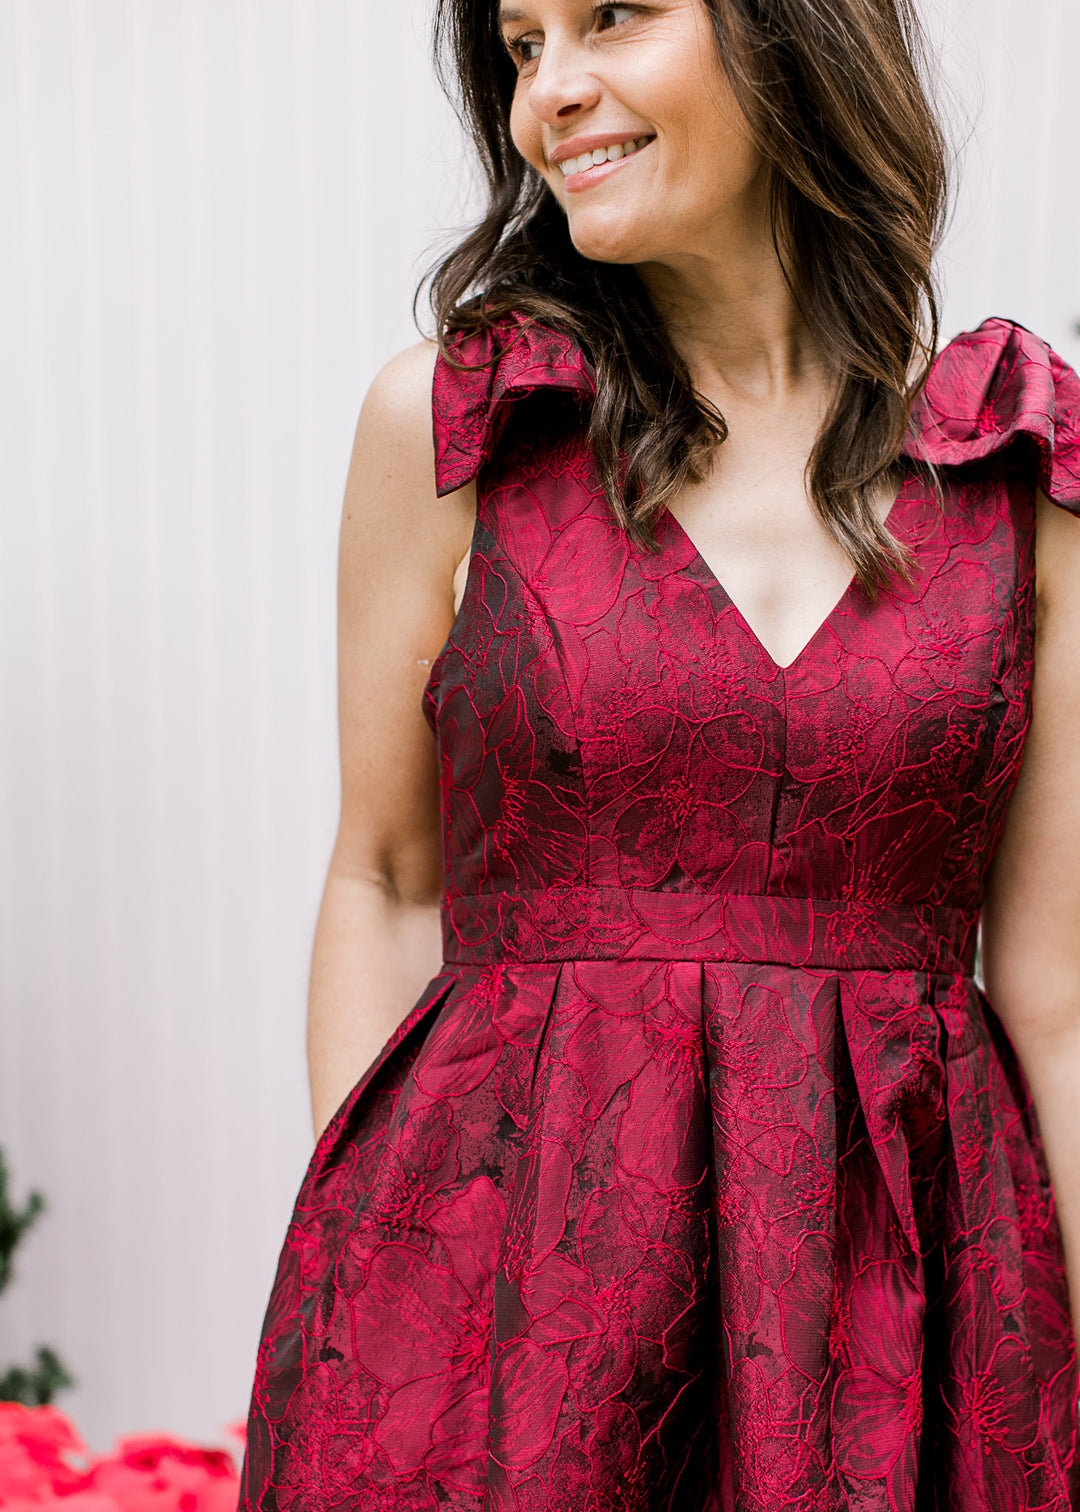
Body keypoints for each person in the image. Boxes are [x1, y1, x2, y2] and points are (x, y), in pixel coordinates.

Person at [239, 0, 1080, 1505]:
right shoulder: (457, 429)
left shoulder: (1018, 465)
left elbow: (1062, 999)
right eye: (521, 45)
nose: (551, 92)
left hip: (905, 1311)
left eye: (611, 18)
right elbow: (382, 875)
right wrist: (381, 1292)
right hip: (506, 1312)